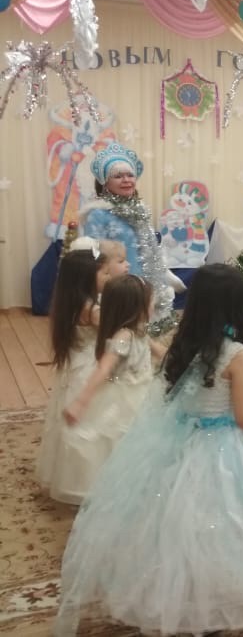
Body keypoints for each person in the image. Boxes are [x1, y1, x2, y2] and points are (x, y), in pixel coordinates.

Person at [54, 264, 243, 637]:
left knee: (175, 524)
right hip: (223, 448)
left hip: (181, 441)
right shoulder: (236, 354)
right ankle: (222, 594)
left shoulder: (184, 341)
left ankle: (179, 591)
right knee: (228, 523)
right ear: (237, 306)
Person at [60, 274, 165, 494]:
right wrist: (81, 402)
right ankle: (118, 487)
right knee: (119, 440)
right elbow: (104, 368)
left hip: (144, 392)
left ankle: (139, 483)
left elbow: (162, 353)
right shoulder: (124, 336)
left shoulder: (140, 332)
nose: (154, 306)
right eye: (151, 302)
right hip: (124, 398)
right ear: (136, 306)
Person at [80, 143, 182, 333]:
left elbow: (151, 248)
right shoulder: (98, 214)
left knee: (150, 335)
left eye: (130, 175)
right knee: (124, 335)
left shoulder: (139, 210)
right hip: (120, 289)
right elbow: (95, 257)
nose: (126, 180)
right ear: (104, 182)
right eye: (118, 176)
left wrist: (162, 276)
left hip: (148, 285)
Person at [36, 250, 102, 504]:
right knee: (90, 425)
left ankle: (63, 476)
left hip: (72, 367)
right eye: (101, 272)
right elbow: (115, 334)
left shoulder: (66, 303)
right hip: (89, 368)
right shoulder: (92, 309)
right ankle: (86, 482)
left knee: (67, 423)